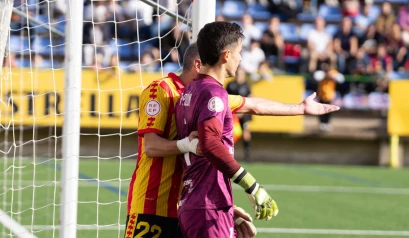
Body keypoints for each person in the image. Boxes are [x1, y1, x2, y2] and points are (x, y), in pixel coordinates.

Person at [125, 41, 340, 237]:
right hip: (151, 205)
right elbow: (151, 147)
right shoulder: (160, 90)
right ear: (200, 64)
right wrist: (186, 145)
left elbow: (255, 105)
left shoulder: (208, 95)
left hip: (185, 207)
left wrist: (301, 108)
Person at [175, 21, 278, 238]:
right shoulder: (214, 93)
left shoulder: (190, 91)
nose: (241, 59)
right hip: (208, 208)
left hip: (198, 203)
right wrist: (252, 185)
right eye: (239, 52)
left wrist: (229, 209)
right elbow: (210, 144)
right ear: (226, 55)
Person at [226, 67, 252, 162]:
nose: (240, 76)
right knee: (231, 134)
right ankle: (229, 154)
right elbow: (226, 99)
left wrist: (243, 111)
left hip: (244, 114)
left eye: (242, 74)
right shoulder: (230, 85)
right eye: (238, 73)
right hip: (233, 114)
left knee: (246, 132)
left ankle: (247, 155)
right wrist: (235, 112)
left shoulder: (246, 85)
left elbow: (250, 99)